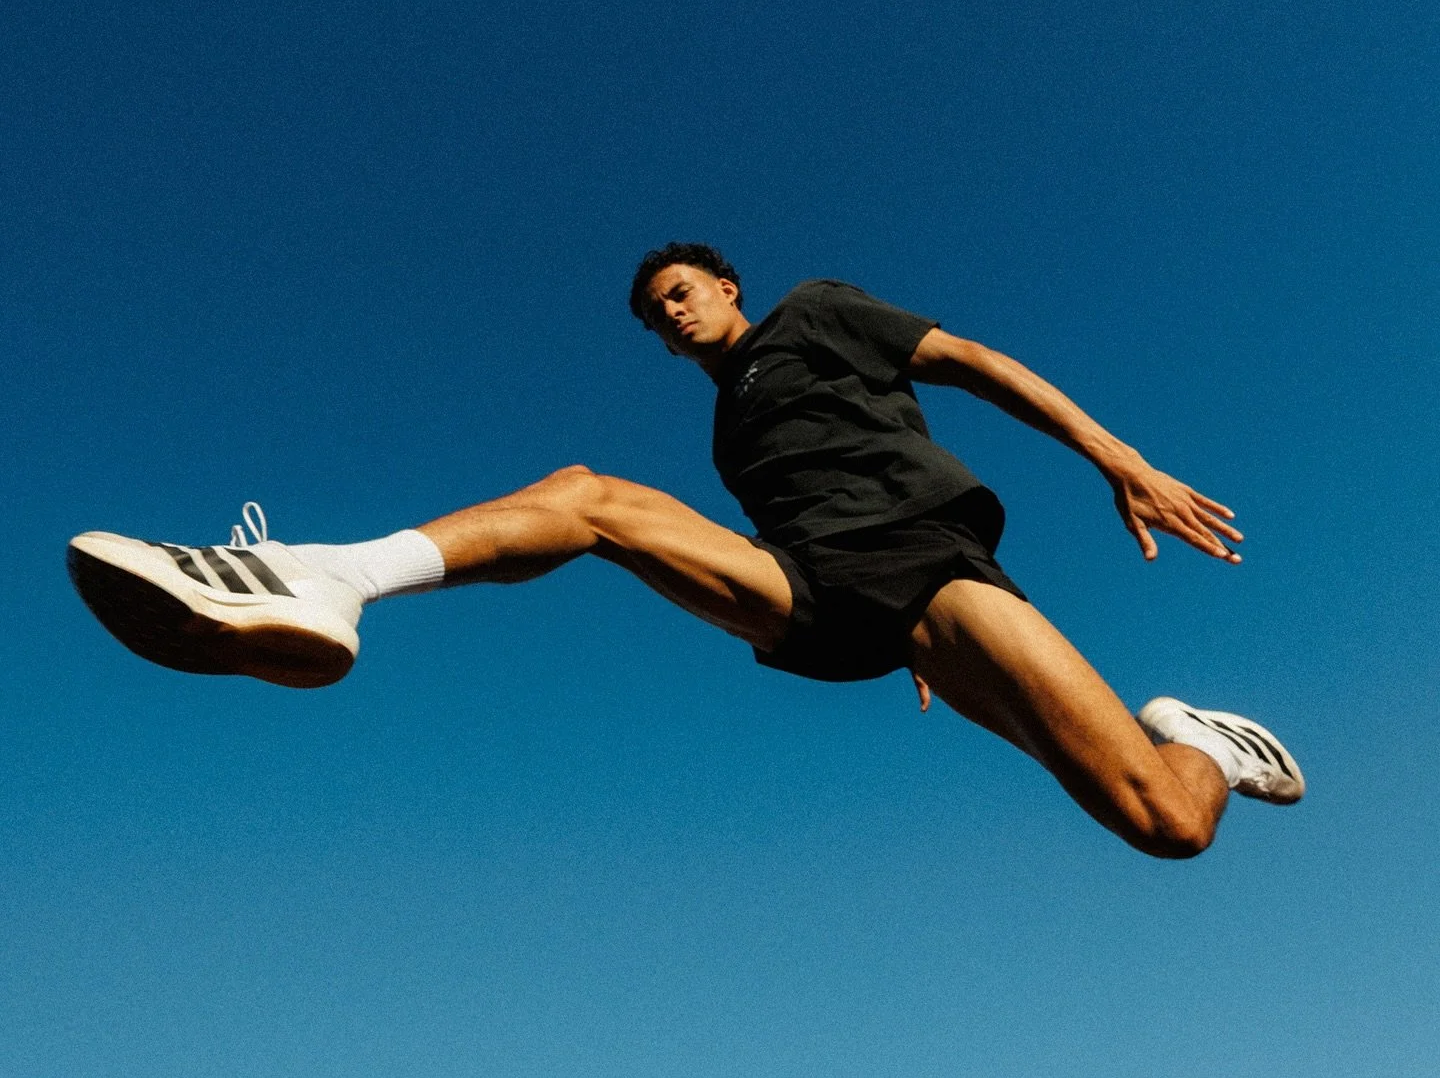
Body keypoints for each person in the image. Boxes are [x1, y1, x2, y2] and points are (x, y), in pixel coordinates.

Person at [68, 243, 1303, 856]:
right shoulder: (730, 429)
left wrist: (1117, 457)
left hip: (928, 567)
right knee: (593, 499)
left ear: (726, 286)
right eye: (655, 311)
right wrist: (900, 642)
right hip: (833, 601)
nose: (669, 313)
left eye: (683, 292)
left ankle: (1195, 739)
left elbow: (973, 363)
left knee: (1165, 824)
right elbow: (797, 521)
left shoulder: (817, 315)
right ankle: (327, 573)